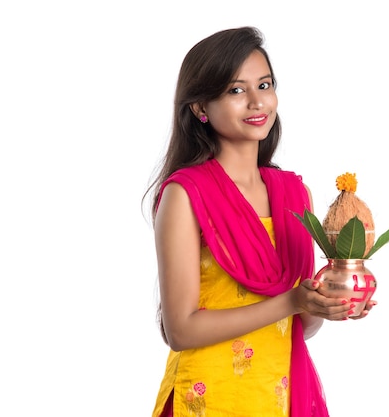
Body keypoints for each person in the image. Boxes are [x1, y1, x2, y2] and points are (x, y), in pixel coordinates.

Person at [143, 26, 375, 417]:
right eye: (236, 90)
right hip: (207, 399)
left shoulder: (293, 195)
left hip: (280, 394)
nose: (256, 102)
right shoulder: (185, 194)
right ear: (200, 108)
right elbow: (181, 331)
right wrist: (292, 300)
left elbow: (300, 326)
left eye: (264, 85)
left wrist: (326, 303)